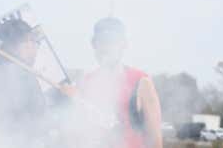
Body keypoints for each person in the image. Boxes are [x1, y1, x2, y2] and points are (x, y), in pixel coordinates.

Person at [62, 17, 162, 148]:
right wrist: (71, 100)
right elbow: (77, 133)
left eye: (111, 42)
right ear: (94, 45)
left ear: (123, 44)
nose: (105, 48)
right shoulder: (86, 82)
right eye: (101, 42)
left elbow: (155, 137)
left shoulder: (141, 81)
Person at [0, 18, 47, 139]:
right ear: (13, 44)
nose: (34, 48)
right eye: (30, 41)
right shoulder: (18, 73)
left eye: (35, 42)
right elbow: (38, 116)